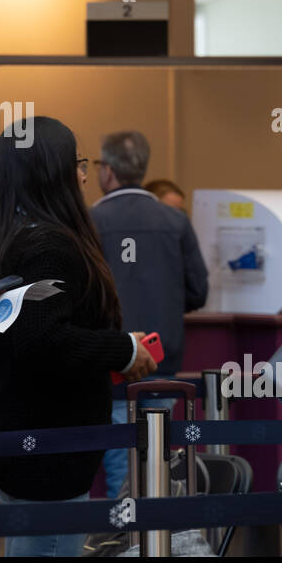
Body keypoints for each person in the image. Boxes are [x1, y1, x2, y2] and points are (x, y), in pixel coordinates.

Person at [0, 116, 156, 557]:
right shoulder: (51, 246)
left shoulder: (6, 239)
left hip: (20, 441)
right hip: (48, 454)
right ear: (54, 170)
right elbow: (41, 340)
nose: (84, 174)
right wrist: (123, 349)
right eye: (77, 162)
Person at [91, 132, 208, 501]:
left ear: (107, 170)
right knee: (160, 458)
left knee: (118, 459)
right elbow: (198, 291)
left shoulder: (91, 221)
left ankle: (122, 539)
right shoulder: (175, 222)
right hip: (162, 357)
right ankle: (156, 539)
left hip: (110, 361)